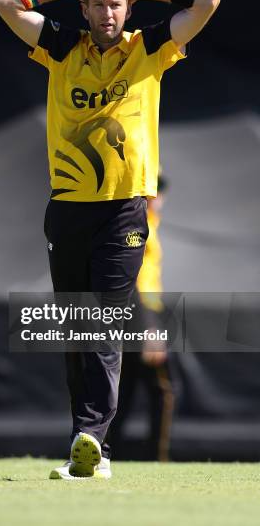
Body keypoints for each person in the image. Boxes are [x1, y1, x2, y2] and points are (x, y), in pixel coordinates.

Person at [0, 0, 220, 479]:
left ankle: (91, 435)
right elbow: (6, 2)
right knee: (77, 326)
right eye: (99, 5)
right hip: (68, 208)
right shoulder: (62, 47)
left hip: (123, 211)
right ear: (85, 9)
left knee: (104, 320)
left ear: (128, 9)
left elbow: (208, 0)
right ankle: (91, 445)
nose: (108, 13)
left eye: (117, 5)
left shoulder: (149, 47)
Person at [109, 174, 175, 462]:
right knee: (162, 389)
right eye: (155, 191)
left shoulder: (150, 222)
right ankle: (156, 457)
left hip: (143, 312)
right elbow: (131, 277)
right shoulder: (137, 224)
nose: (159, 198)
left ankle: (105, 452)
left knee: (125, 389)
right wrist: (148, 327)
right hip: (139, 314)